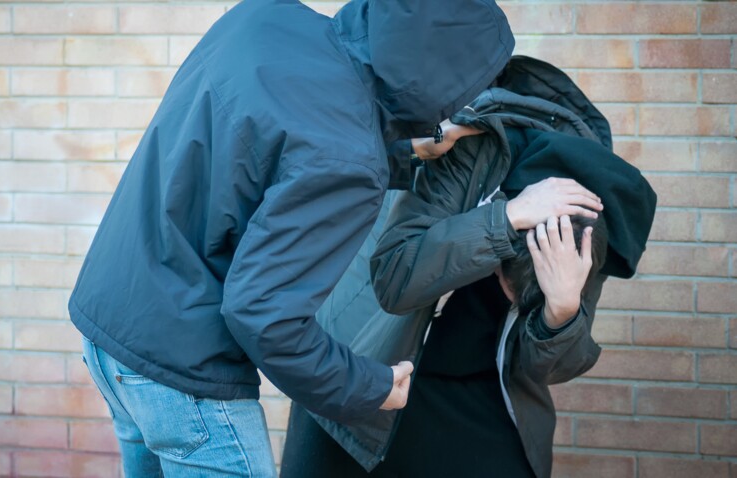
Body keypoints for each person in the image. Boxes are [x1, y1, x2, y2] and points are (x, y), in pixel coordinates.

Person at [69, 0, 517, 475]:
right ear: (444, 73)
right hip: (184, 374)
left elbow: (278, 147)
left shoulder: (263, 16)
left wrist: (399, 151)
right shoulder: (347, 158)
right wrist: (370, 387)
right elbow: (264, 316)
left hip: (111, 332)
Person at [280, 57, 657, 478]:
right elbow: (396, 278)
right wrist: (505, 220)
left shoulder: (586, 217)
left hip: (484, 397)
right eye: (502, 278)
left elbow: (548, 368)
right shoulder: (467, 145)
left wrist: (561, 312)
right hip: (369, 360)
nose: (501, 289)